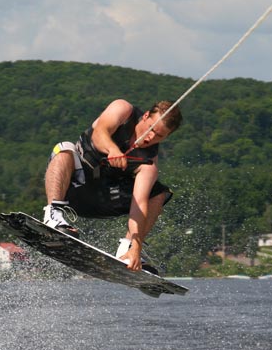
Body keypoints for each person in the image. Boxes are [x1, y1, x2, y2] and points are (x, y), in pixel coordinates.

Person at [43, 98, 183, 272]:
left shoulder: (148, 164)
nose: (151, 137)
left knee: (158, 193)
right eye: (151, 129)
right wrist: (112, 149)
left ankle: (128, 250)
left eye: (160, 136)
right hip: (75, 188)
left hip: (105, 200)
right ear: (146, 116)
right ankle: (53, 216)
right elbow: (99, 132)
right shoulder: (123, 110)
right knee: (64, 148)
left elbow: (138, 207)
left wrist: (137, 247)